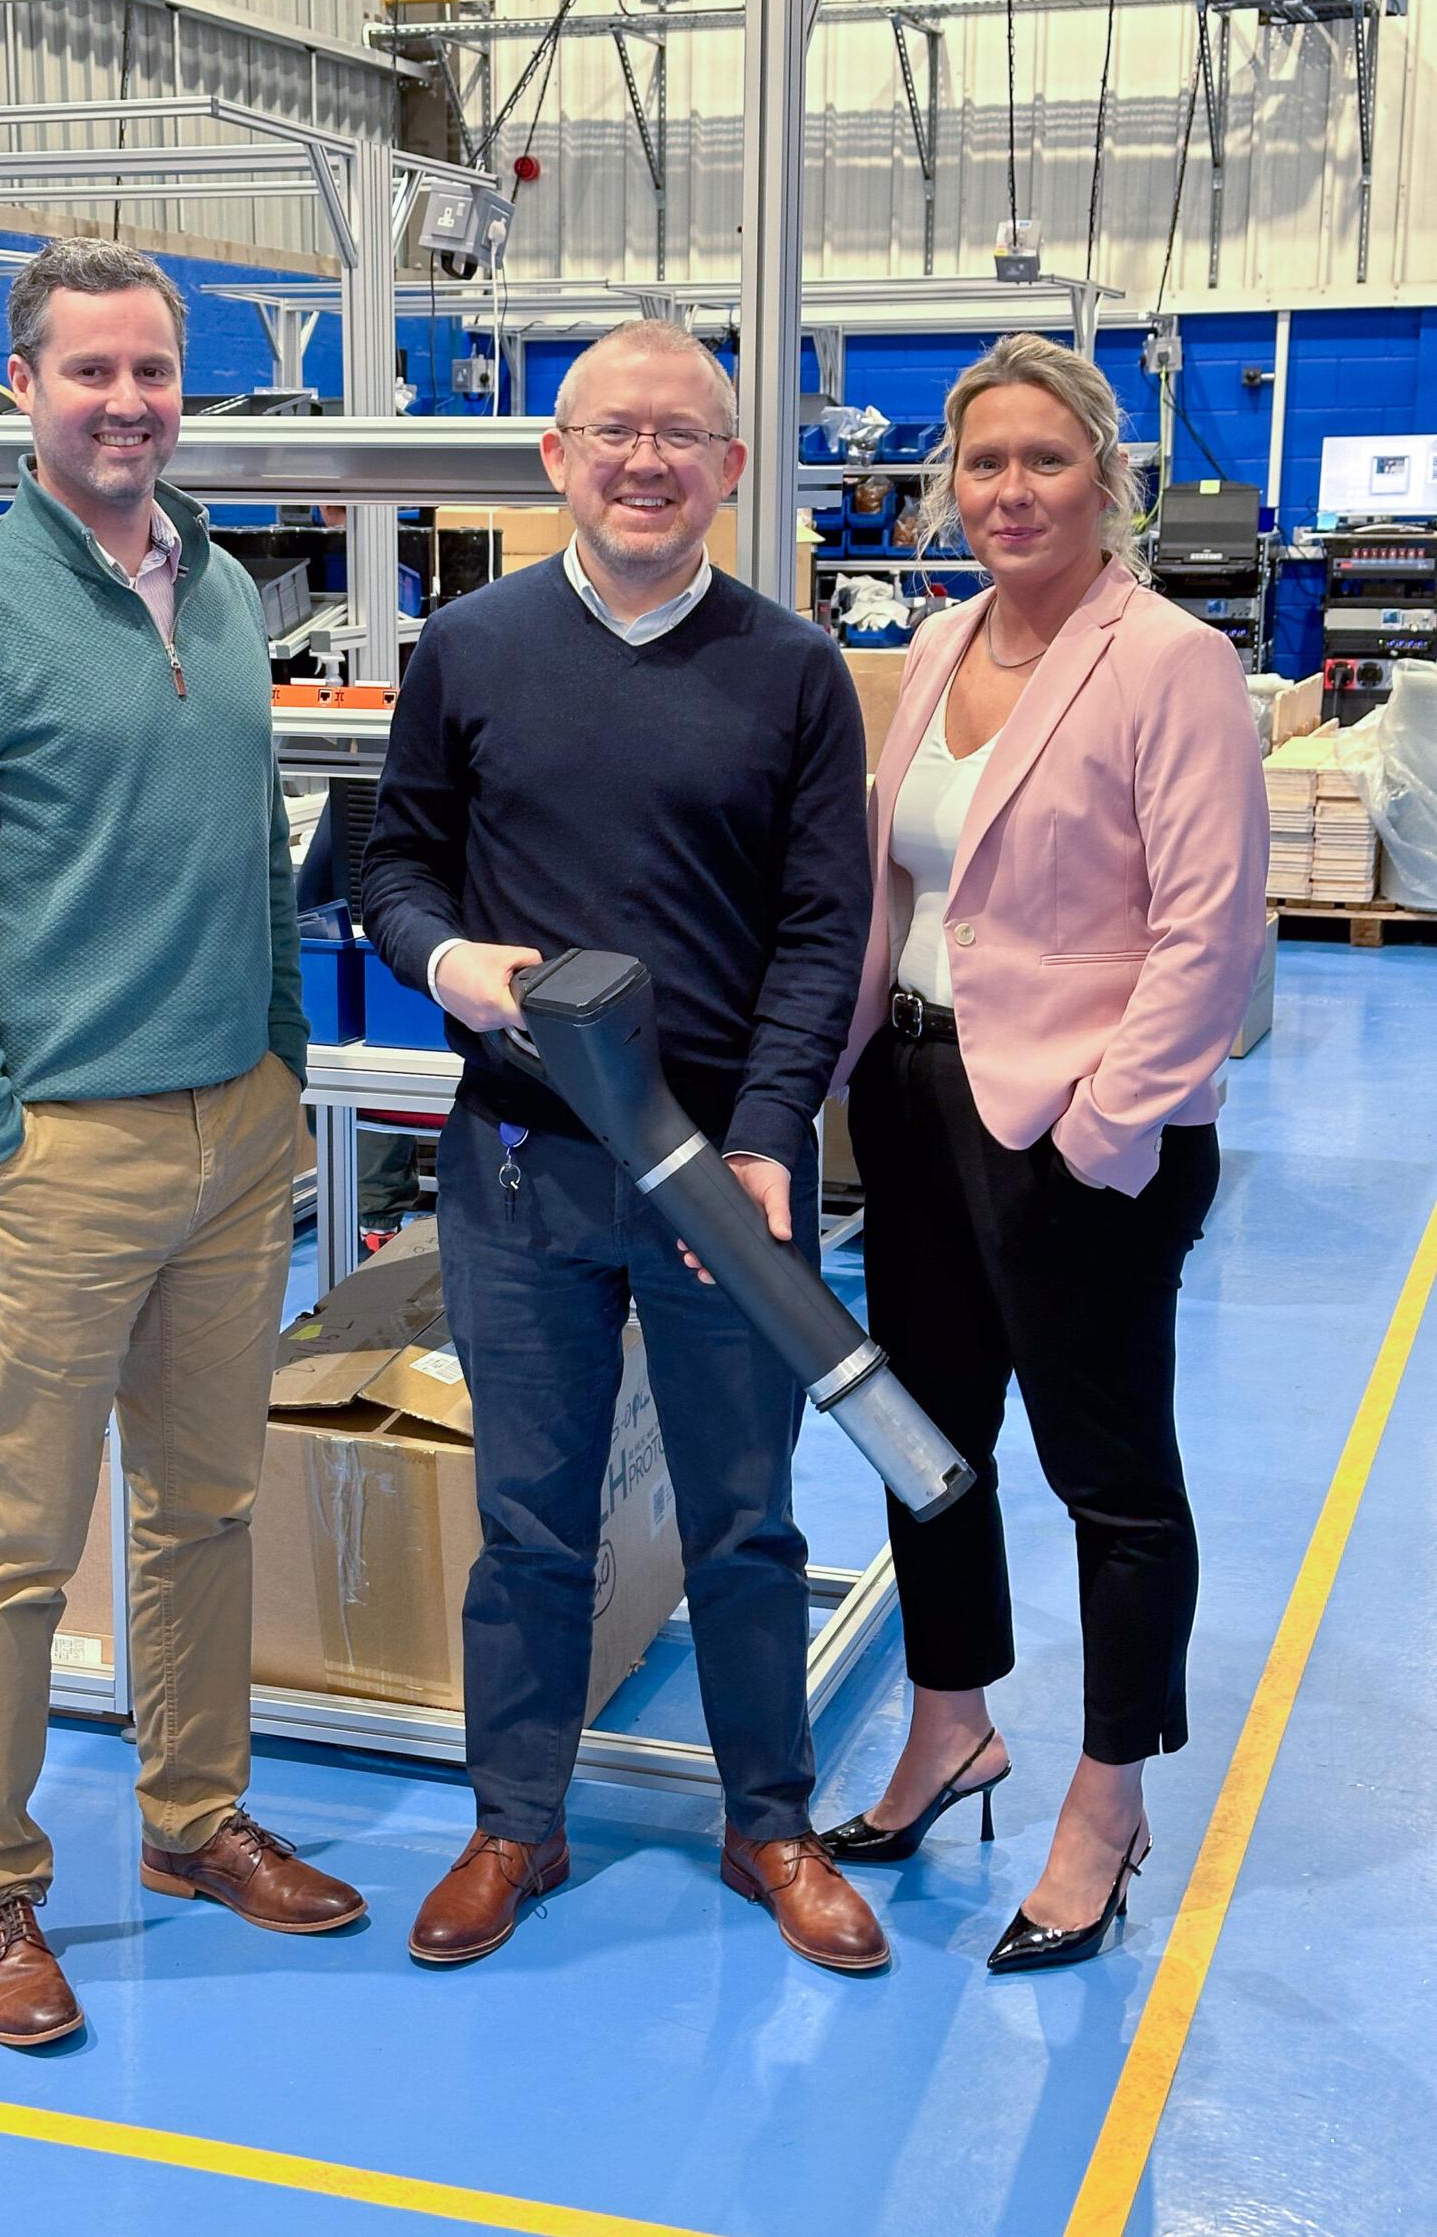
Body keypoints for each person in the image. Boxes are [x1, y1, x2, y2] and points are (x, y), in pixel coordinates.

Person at [0, 237, 364, 2050]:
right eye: (94, 373)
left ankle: (193, 1818)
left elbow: (255, 848)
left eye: (156, 372)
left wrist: (286, 1064)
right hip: (60, 1147)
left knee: (208, 1504)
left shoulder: (223, 587)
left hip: (236, 1131)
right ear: (27, 392)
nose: (132, 403)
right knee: (12, 1538)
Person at [362, 319, 884, 1973]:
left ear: (732, 468)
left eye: (682, 434)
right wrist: (447, 962)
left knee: (747, 1519)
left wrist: (771, 1132)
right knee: (533, 1513)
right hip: (520, 1163)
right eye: (613, 431)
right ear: (557, 459)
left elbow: (823, 926)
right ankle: (516, 1819)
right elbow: (393, 868)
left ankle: (771, 1824)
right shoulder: (469, 646)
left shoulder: (792, 669)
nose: (646, 459)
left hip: (719, 1169)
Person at [821, 332, 1270, 1973]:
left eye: (1045, 461)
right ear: (950, 488)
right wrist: (844, 1065)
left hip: (1078, 1129)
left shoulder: (1169, 663)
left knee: (1110, 1478)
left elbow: (1211, 934)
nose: (1011, 491)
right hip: (919, 1104)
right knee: (922, 1443)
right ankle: (954, 1724)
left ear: (1109, 476)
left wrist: (1096, 1130)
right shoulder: (939, 647)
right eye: (984, 464)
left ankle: (1107, 1795)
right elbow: (901, 892)